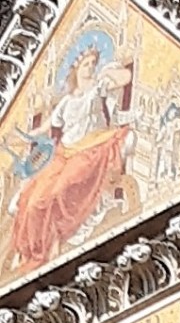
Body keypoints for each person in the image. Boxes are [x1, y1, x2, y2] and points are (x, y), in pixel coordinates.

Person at [9, 45, 137, 272]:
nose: (90, 68)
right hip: (64, 153)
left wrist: (106, 72)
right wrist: (17, 137)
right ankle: (31, 250)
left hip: (91, 148)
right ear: (75, 69)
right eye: (86, 64)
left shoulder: (98, 87)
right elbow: (43, 129)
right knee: (33, 198)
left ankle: (54, 239)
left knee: (60, 189)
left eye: (92, 64)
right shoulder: (66, 102)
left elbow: (126, 77)